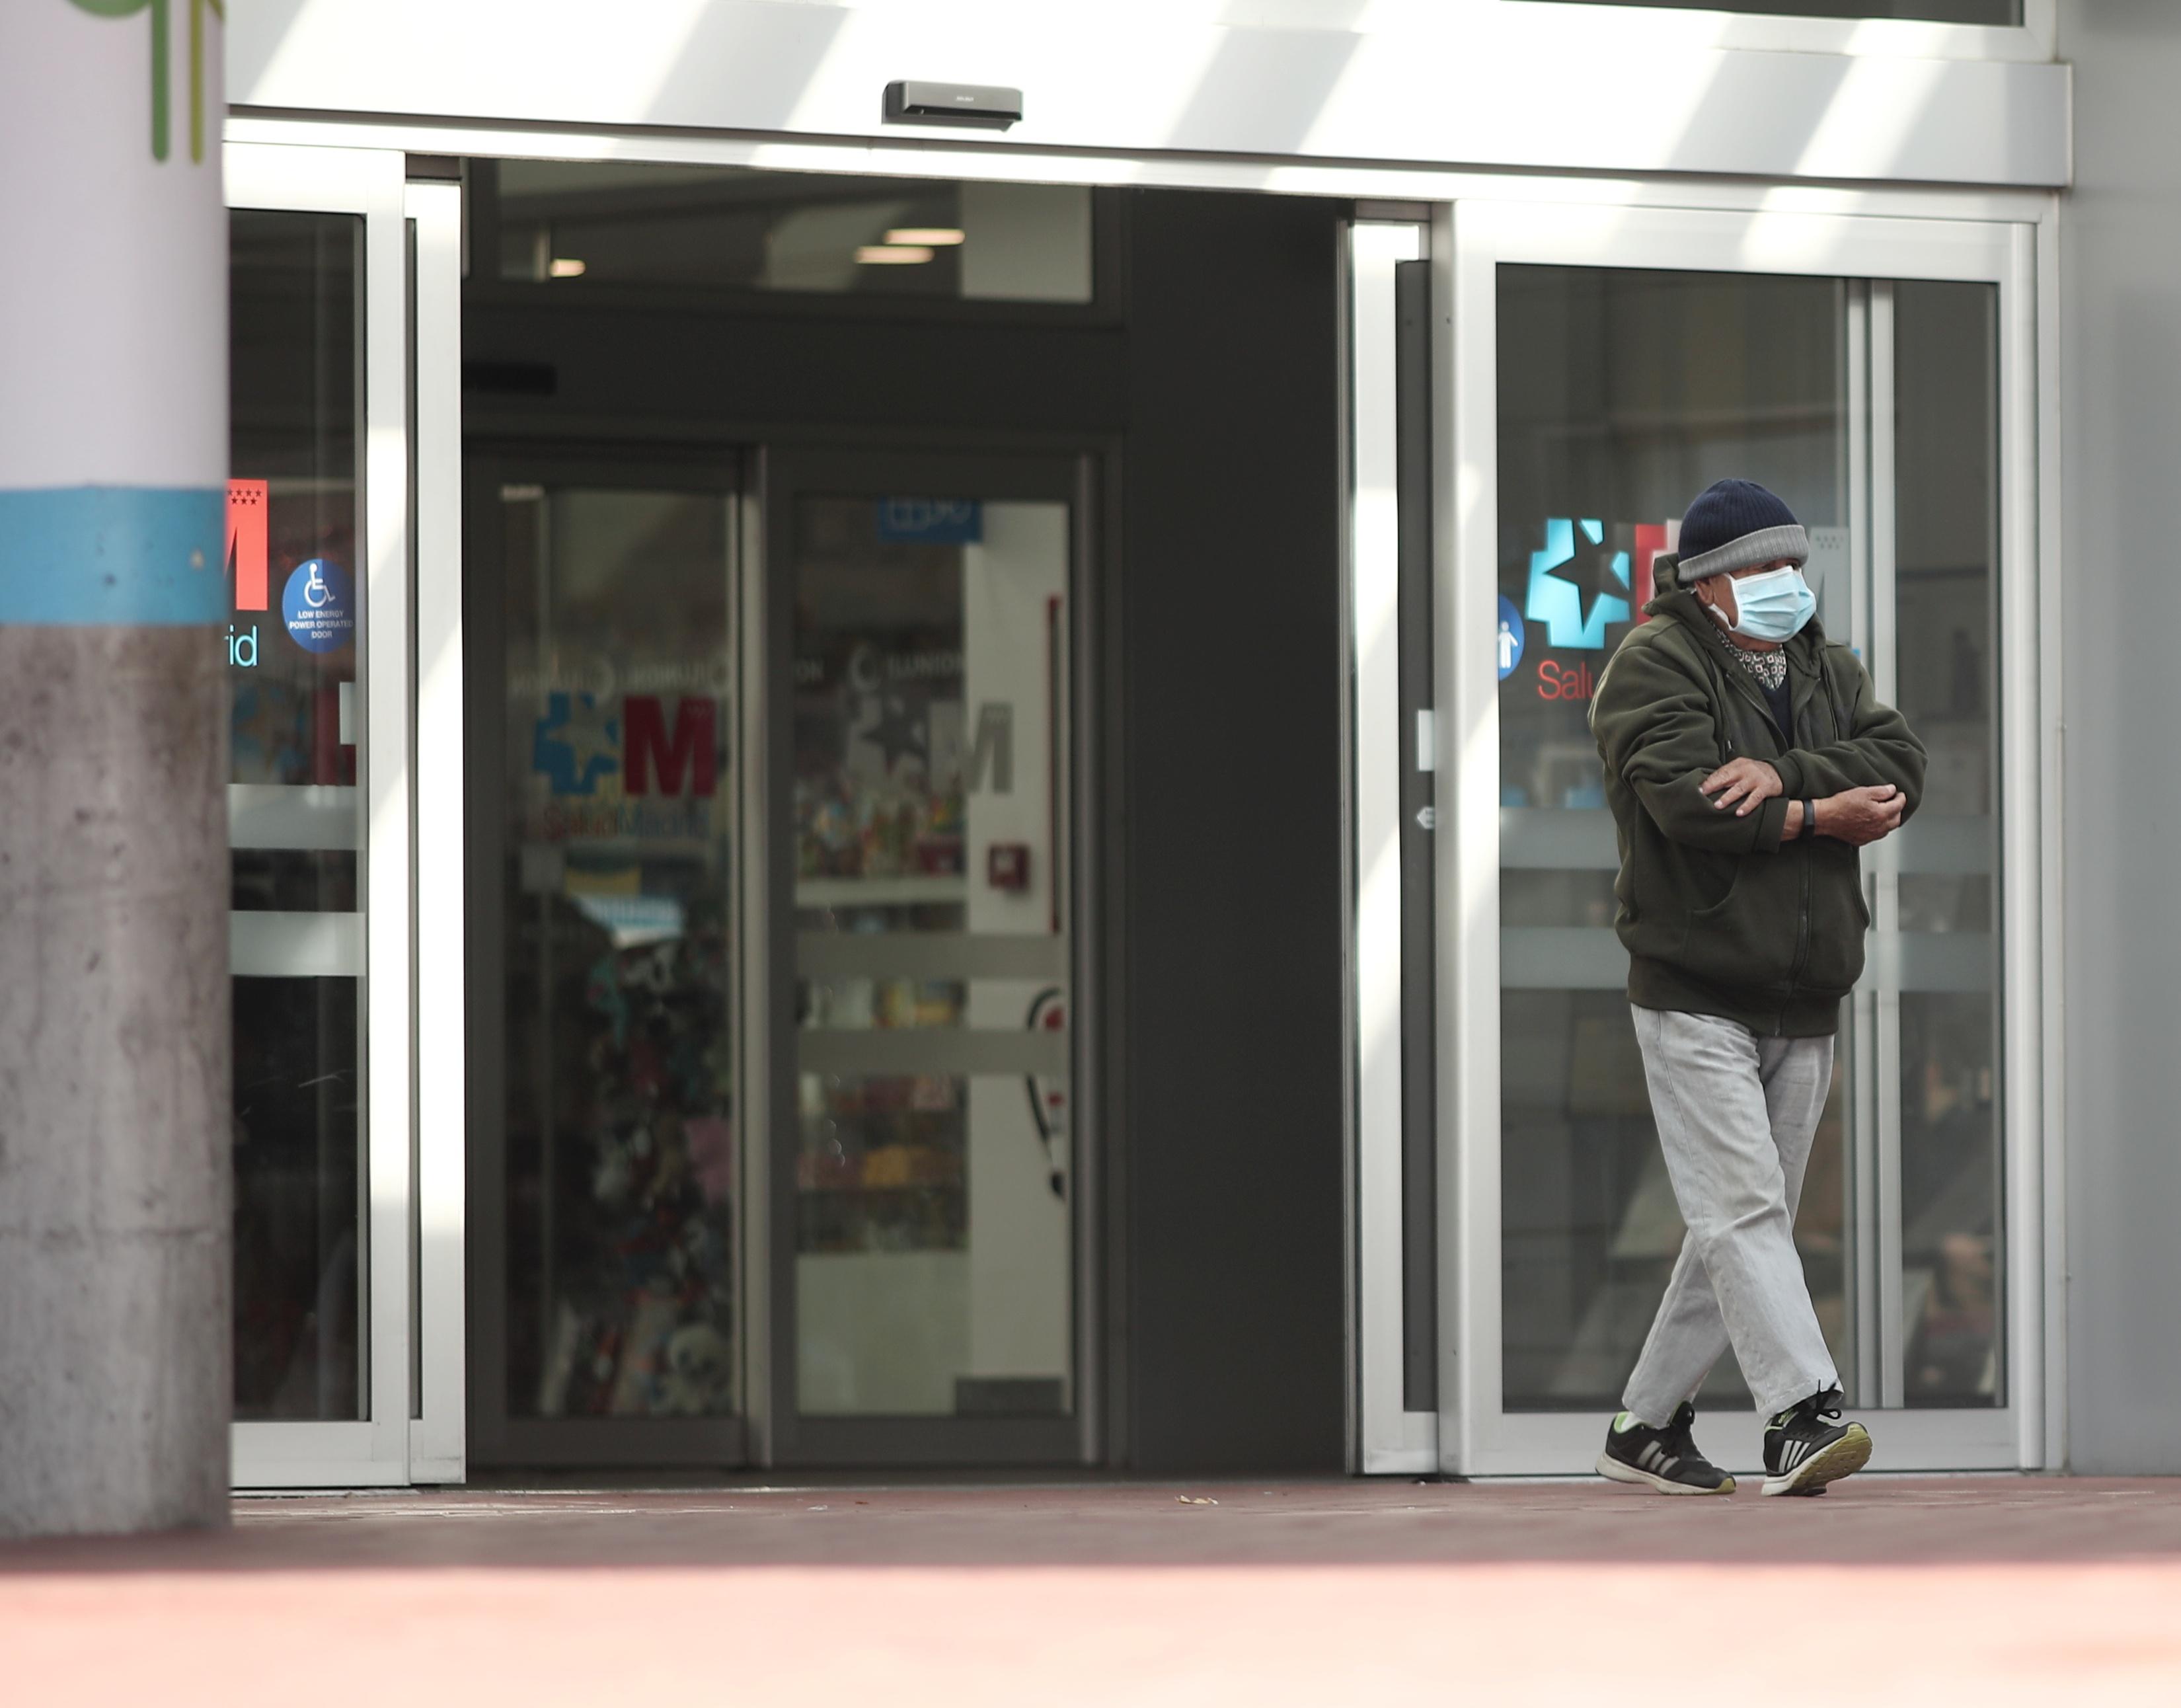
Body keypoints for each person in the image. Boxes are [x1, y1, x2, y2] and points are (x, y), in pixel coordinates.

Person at [1586, 478, 1926, 1497]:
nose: (1787, 585)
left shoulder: (1826, 663)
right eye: (1764, 569)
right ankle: (1800, 1414)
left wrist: (1784, 779)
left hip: (1806, 986)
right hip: (1695, 985)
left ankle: (1643, 1427)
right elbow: (1691, 797)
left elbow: (1900, 761)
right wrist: (1824, 812)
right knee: (1743, 1210)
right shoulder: (1653, 662)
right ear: (1710, 582)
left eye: (1794, 566)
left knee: (1740, 1219)